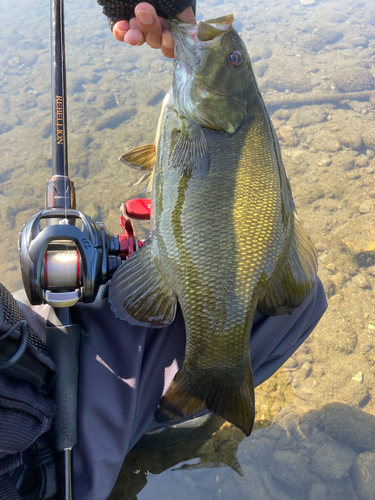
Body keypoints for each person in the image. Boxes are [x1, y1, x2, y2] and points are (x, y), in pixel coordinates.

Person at [0, 1, 328, 499]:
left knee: (291, 300)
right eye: (232, 62)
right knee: (293, 307)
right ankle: (182, 400)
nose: (226, 52)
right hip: (30, 448)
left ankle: (174, 402)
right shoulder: (210, 115)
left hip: (23, 376)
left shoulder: (203, 112)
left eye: (231, 61)